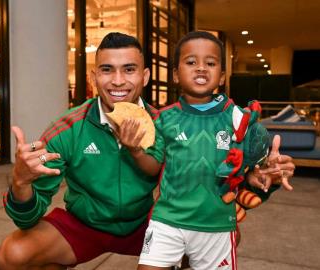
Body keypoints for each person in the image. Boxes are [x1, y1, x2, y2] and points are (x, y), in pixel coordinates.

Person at [0, 32, 294, 270]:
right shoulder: (67, 130)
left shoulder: (168, 124)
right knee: (13, 254)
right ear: (93, 76)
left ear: (146, 76)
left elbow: (216, 178)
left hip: (148, 223)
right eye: (106, 70)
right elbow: (26, 218)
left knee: (221, 234)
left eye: (129, 69)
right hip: (84, 225)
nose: (117, 81)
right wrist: (20, 182)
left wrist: (257, 178)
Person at [116, 31, 294, 270]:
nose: (201, 68)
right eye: (191, 62)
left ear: (221, 77)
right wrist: (135, 150)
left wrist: (263, 169)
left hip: (217, 224)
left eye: (210, 63)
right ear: (176, 75)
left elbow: (247, 168)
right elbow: (153, 167)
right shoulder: (164, 118)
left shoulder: (237, 118)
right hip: (168, 220)